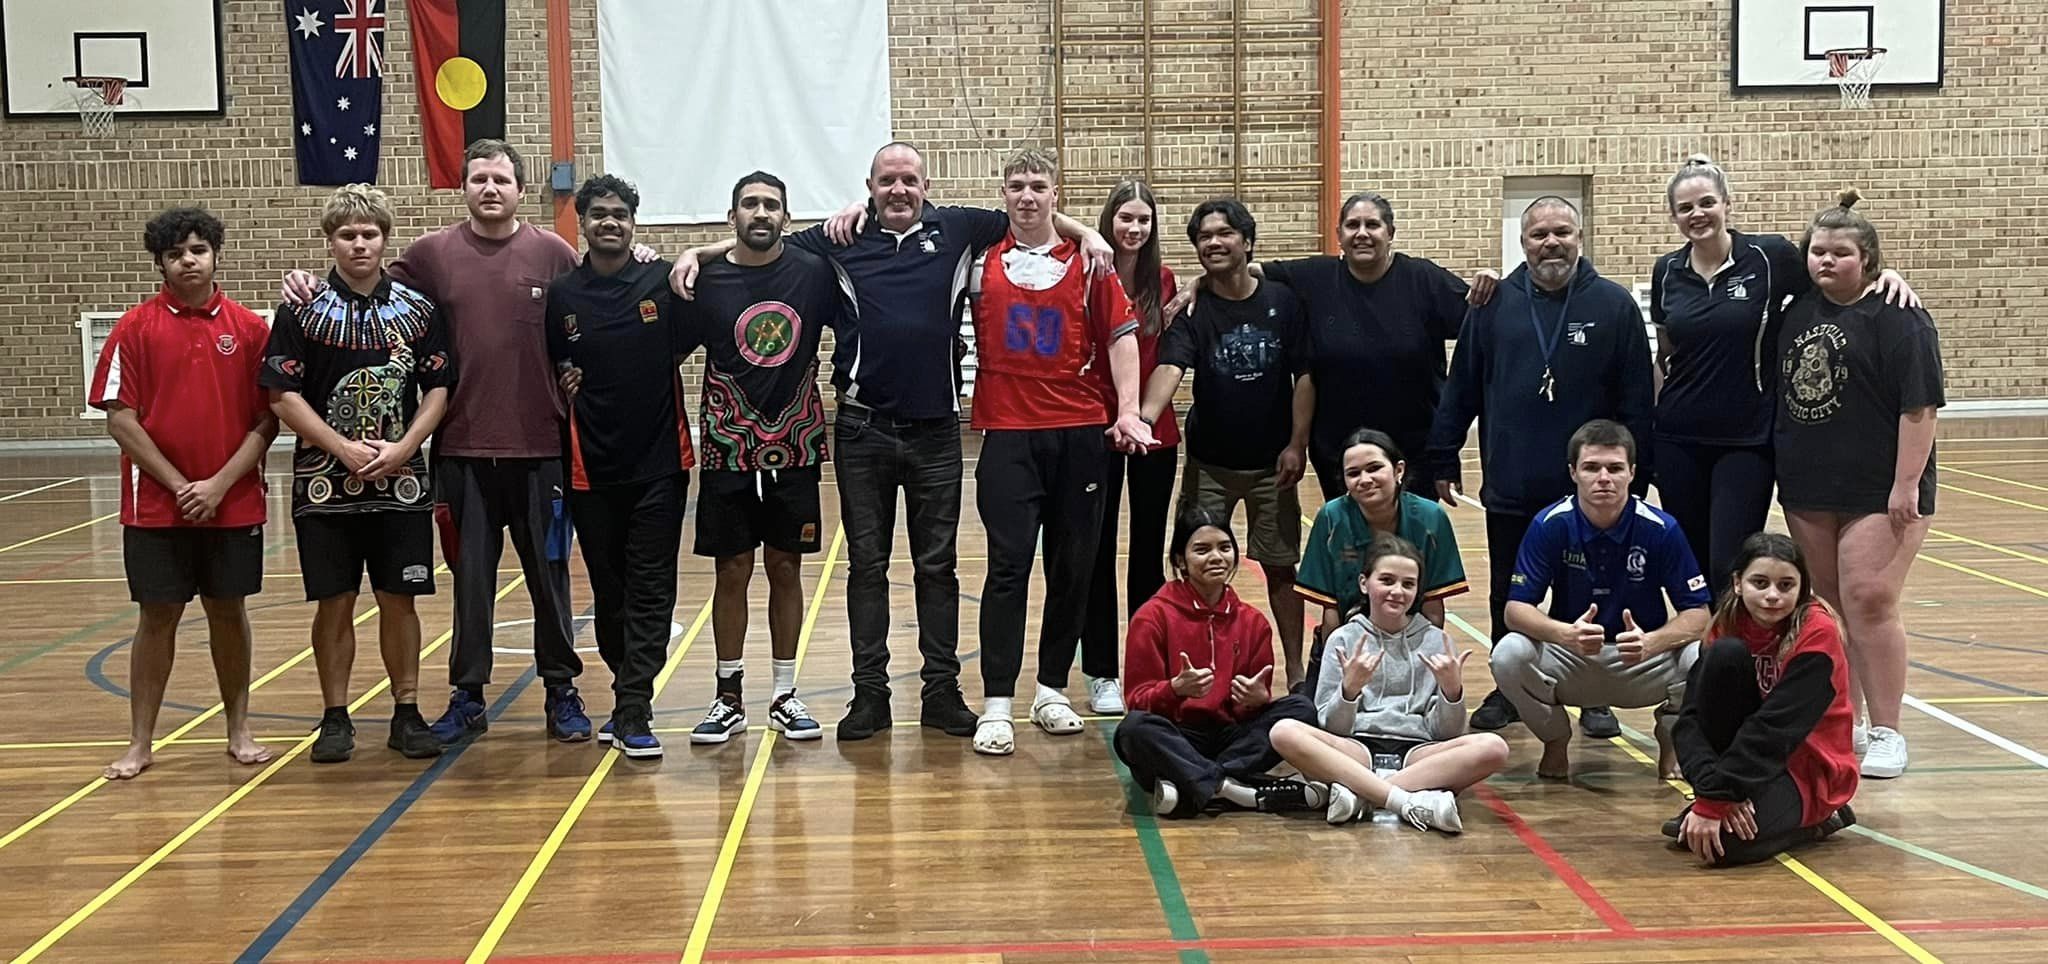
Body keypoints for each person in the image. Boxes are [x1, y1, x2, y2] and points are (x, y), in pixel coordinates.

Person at [667, 141, 1114, 742]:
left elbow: (1028, 212)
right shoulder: (840, 238)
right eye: (887, 181)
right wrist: (700, 248)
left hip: (935, 431)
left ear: (924, 185)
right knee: (867, 567)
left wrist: (1087, 232)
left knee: (938, 566)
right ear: (870, 186)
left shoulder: (957, 228)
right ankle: (869, 695)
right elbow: (762, 240)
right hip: (862, 428)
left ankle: (941, 691)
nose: (898, 190)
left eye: (908, 180)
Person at [287, 139, 591, 745]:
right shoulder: (430, 256)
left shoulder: (553, 254)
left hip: (540, 449)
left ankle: (562, 689)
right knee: (471, 582)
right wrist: (305, 281)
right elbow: (363, 285)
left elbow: (592, 310)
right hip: (461, 452)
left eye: (501, 179)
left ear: (520, 189)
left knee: (549, 578)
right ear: (464, 188)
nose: (490, 189)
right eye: (478, 178)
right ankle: (468, 695)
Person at [1426, 196, 1653, 739]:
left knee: (1594, 593)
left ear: (1580, 237)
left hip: (1591, 490)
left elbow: (1638, 399)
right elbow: (1463, 386)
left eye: (1562, 232)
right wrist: (1443, 452)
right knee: (1509, 592)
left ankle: (1592, 693)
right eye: (1538, 235)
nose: (1551, 243)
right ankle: (1511, 691)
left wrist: (1633, 479)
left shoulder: (1614, 306)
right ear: (1522, 242)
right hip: (1513, 476)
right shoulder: (1493, 303)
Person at [1650, 156, 1916, 597]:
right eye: (1685, 207)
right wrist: (1658, 424)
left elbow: (1830, 277)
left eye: (1706, 202)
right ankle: (1702, 660)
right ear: (1674, 215)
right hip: (1679, 440)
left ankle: (1734, 658)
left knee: (1728, 562)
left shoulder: (1769, 257)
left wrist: (1881, 273)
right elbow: (1666, 354)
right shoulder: (1668, 271)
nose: (1697, 214)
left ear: (1727, 204)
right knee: (1690, 565)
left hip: (1747, 440)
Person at [965, 149, 1153, 755]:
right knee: (1008, 567)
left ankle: (1051, 689)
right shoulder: (979, 261)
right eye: (1016, 185)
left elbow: (1123, 339)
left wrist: (1128, 410)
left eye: (1038, 187)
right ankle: (997, 703)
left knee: (1072, 568)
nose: (1027, 196)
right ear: (1003, 192)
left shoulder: (1091, 264)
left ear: (1055, 193)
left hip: (1080, 434)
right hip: (1008, 437)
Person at [263, 184, 456, 763]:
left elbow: (439, 387)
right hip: (325, 485)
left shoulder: (419, 310)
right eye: (347, 234)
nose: (359, 244)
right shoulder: (300, 307)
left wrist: (405, 447)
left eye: (369, 233)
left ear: (384, 238)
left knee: (401, 599)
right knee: (336, 602)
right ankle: (335, 716)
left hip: (402, 482)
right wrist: (342, 448)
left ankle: (406, 709)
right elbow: (281, 394)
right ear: (331, 240)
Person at [91, 207, 278, 780]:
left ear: (215, 253)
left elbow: (268, 420)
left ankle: (239, 728)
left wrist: (219, 485)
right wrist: (179, 486)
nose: (188, 260)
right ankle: (140, 741)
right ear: (162, 264)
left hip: (233, 502)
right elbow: (120, 419)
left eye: (198, 249)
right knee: (158, 616)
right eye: (176, 254)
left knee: (228, 611)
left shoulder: (250, 330)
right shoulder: (134, 329)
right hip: (156, 508)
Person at [1774, 189, 1943, 779]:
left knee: (1870, 600)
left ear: (1867, 260)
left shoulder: (1900, 316)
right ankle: (1843, 722)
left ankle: (1889, 730)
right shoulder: (1796, 309)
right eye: (1818, 251)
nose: (1826, 261)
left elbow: (1920, 408)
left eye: (1840, 253)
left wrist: (1906, 485)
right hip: (1809, 484)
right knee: (1830, 607)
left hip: (1880, 489)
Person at [679, 171, 843, 746]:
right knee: (731, 570)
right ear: (732, 218)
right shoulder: (706, 280)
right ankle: (728, 696)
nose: (761, 212)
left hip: (796, 442)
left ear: (786, 217)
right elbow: (662, 347)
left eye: (772, 204)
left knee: (786, 567)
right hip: (727, 444)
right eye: (749, 203)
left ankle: (784, 693)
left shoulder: (813, 273)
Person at [1138, 198, 1315, 689]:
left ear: (1246, 241)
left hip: (1272, 465)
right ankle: (1191, 669)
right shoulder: (1195, 309)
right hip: (1209, 464)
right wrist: (1142, 418)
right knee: (1194, 565)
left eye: (1224, 234)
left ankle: (1296, 669)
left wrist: (1297, 444)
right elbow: (1170, 368)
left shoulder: (1283, 301)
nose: (1213, 243)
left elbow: (1304, 375)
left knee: (1281, 568)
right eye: (1203, 237)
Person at [545, 175, 692, 759]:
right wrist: (564, 376)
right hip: (589, 469)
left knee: (653, 588)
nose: (610, 222)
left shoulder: (662, 281)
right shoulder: (563, 294)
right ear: (582, 222)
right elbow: (555, 362)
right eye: (599, 213)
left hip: (660, 463)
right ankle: (624, 689)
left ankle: (634, 706)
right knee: (610, 593)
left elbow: (681, 344)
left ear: (635, 221)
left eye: (620, 213)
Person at [1491, 419, 1711, 780]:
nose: (1603, 478)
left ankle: (1672, 742)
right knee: (1508, 654)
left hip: (1642, 659)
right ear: (1573, 472)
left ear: (1632, 473)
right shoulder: (1550, 523)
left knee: (1706, 654)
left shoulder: (1661, 528)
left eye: (1614, 468)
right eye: (1592, 468)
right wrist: (1564, 634)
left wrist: (1652, 642)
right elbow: (1515, 610)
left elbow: (1699, 614)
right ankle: (1556, 741)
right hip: (1573, 657)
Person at [1271, 534, 1507, 831]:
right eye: (1387, 580)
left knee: (1494, 747)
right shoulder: (1343, 639)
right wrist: (1349, 691)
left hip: (1417, 752)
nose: (1397, 591)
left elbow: (1444, 733)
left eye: (1408, 584)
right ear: (1364, 583)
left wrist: (1451, 693)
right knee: (1284, 731)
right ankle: (1406, 799)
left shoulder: (1437, 641)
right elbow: (1331, 728)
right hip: (1356, 749)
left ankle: (1363, 794)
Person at [1665, 532, 1859, 866]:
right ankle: (1741, 797)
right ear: (1738, 583)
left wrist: (1716, 801)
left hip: (1807, 766)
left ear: (1802, 588)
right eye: (1760, 582)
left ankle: (1821, 821)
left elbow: (1776, 729)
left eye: (1786, 585)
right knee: (1697, 837)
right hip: (1749, 760)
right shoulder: (1727, 623)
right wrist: (1711, 788)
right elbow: (1692, 718)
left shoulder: (1817, 633)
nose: (1772, 596)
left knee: (1724, 848)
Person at [1114, 508, 1323, 817]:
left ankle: (1193, 782)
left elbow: (1252, 704)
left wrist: (1254, 700)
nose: (1216, 557)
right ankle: (1232, 788)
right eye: (1202, 549)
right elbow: (1137, 701)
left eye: (1224, 548)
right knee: (1132, 731)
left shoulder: (1253, 621)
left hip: (1230, 735)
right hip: (1176, 732)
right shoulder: (1152, 617)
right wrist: (1173, 689)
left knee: (1301, 709)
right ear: (1180, 561)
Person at [1081, 177, 1183, 716]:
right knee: (1096, 551)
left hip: (1153, 432)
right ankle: (1100, 672)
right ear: (1108, 222)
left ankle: (1145, 666)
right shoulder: (1086, 272)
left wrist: (1188, 293)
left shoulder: (1164, 281)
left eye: (1144, 220)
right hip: (1095, 430)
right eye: (1125, 218)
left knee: (1147, 552)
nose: (1134, 228)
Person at [1295, 429, 1467, 682]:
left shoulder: (1431, 518)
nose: (1365, 479)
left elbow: (1433, 605)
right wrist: (1337, 666)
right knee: (1316, 716)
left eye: (1374, 468)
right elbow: (1330, 608)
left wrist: (1424, 661)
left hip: (1408, 640)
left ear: (1398, 470)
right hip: (1349, 638)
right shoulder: (1331, 517)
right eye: (1353, 473)